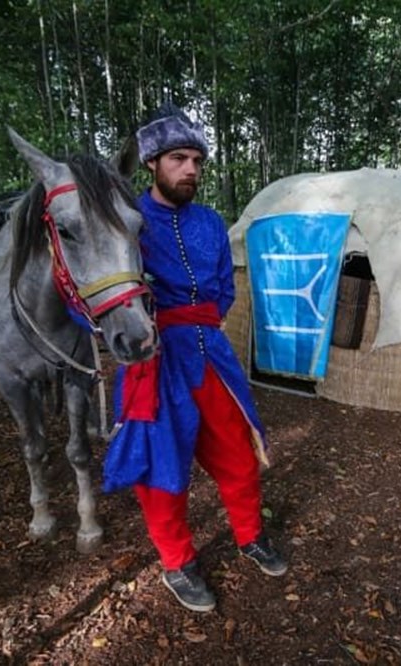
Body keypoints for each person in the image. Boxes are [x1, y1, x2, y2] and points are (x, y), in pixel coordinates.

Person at [102, 103, 286, 613]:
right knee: (163, 469)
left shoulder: (211, 222)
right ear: (153, 164)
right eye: (179, 158)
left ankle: (250, 535)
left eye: (197, 161)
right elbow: (97, 292)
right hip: (154, 362)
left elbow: (225, 289)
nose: (191, 169)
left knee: (239, 454)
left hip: (212, 357)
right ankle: (176, 562)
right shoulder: (127, 223)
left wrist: (202, 320)